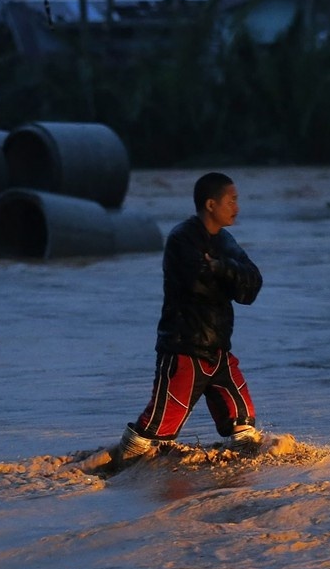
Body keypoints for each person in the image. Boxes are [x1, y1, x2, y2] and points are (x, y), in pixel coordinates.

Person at [110, 172, 264, 471]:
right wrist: (229, 276)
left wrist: (222, 268)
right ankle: (118, 475)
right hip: (184, 350)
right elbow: (199, 285)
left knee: (244, 424)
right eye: (231, 201)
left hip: (219, 351)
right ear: (211, 204)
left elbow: (252, 285)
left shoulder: (225, 241)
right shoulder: (181, 238)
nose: (237, 207)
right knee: (154, 430)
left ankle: (239, 482)